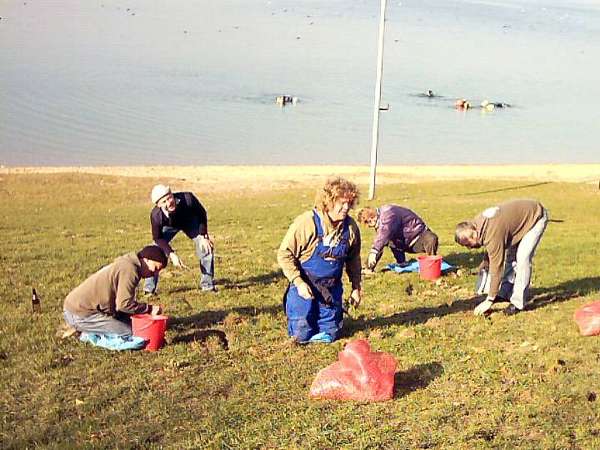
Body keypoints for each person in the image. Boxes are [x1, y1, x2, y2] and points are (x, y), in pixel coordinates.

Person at [277, 177, 362, 344]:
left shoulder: (350, 228)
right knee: (301, 334)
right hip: (305, 287)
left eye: (349, 203)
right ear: (328, 202)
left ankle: (329, 321)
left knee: (331, 333)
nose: (346, 208)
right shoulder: (306, 223)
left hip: (331, 289)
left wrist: (356, 287)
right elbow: (284, 254)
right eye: (341, 203)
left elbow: (354, 260)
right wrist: (299, 282)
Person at [454, 199, 548, 316]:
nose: (471, 246)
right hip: (520, 222)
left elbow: (497, 268)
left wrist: (490, 299)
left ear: (474, 231)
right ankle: (504, 293)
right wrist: (485, 260)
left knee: (523, 258)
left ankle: (518, 303)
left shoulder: (491, 232)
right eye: (467, 245)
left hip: (535, 217)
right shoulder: (477, 226)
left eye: (470, 241)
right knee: (511, 257)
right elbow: (491, 245)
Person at [62, 246, 167, 337]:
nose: (155, 274)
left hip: (79, 308)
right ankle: (85, 332)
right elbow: (124, 305)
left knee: (134, 324)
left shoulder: (129, 264)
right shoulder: (130, 270)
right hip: (81, 313)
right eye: (156, 268)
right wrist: (149, 309)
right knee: (132, 333)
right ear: (146, 259)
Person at [145, 184, 215, 294]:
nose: (169, 203)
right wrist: (171, 254)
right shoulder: (156, 216)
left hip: (190, 222)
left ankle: (207, 285)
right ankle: (149, 289)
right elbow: (157, 238)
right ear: (158, 205)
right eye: (164, 202)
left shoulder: (188, 198)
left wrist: (203, 235)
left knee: (205, 247)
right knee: (154, 250)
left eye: (169, 198)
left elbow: (201, 213)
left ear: (172, 194)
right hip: (169, 226)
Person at [357, 205, 438, 272]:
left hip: (419, 236)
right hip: (405, 243)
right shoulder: (380, 221)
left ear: (370, 220)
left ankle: (433, 265)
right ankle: (401, 262)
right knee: (387, 240)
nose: (370, 227)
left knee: (431, 238)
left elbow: (384, 233)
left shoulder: (388, 213)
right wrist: (369, 264)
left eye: (368, 224)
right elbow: (381, 240)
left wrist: (374, 251)